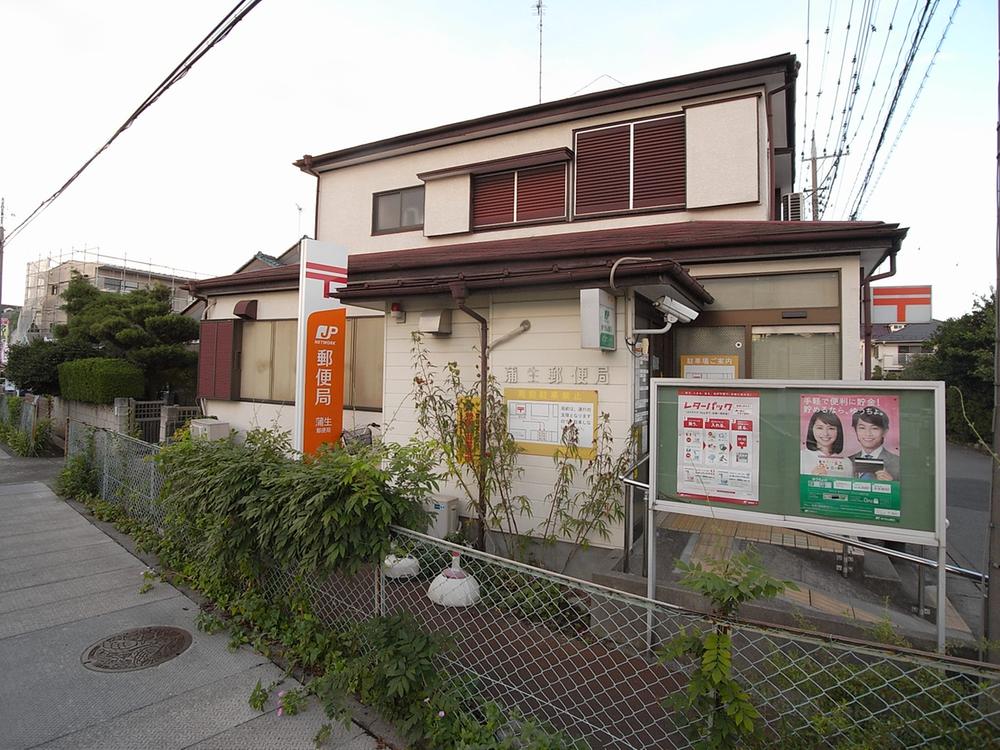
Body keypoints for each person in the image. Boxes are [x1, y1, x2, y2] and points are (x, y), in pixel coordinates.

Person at [849, 406, 899, 481]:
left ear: (885, 432)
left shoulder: (897, 462)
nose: (868, 434)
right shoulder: (848, 461)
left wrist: (891, 484)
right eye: (862, 428)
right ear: (855, 430)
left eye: (874, 428)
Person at [800, 410, 851, 477]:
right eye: (820, 428)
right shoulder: (801, 457)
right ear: (812, 429)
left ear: (838, 431)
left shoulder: (846, 462)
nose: (825, 433)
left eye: (831, 428)